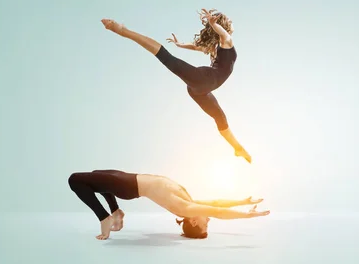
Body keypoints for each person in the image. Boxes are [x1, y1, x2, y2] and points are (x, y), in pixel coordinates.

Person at [100, 8, 251, 163]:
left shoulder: (219, 46)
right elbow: (221, 34)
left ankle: (238, 148)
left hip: (199, 90)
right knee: (168, 59)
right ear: (225, 25)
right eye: (229, 22)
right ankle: (122, 30)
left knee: (219, 116)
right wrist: (213, 25)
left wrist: (181, 45)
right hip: (204, 80)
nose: (231, 24)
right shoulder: (227, 40)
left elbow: (198, 47)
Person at [67, 169, 269, 240]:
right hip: (129, 179)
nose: (208, 219)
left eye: (206, 223)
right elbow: (217, 203)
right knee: (96, 173)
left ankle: (104, 218)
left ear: (195, 223)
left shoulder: (185, 208)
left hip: (127, 186)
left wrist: (249, 215)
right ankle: (116, 211)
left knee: (75, 180)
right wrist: (244, 201)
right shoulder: (189, 203)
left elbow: (219, 211)